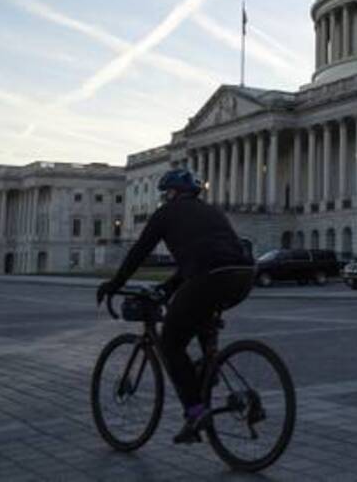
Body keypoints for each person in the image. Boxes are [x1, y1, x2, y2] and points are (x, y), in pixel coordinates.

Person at [96, 168, 252, 444]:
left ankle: (196, 411)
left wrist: (115, 283)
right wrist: (168, 288)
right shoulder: (212, 211)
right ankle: (210, 371)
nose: (163, 199)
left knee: (170, 343)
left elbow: (139, 252)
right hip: (243, 276)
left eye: (164, 194)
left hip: (210, 278)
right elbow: (200, 258)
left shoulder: (166, 214)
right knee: (203, 320)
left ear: (171, 193)